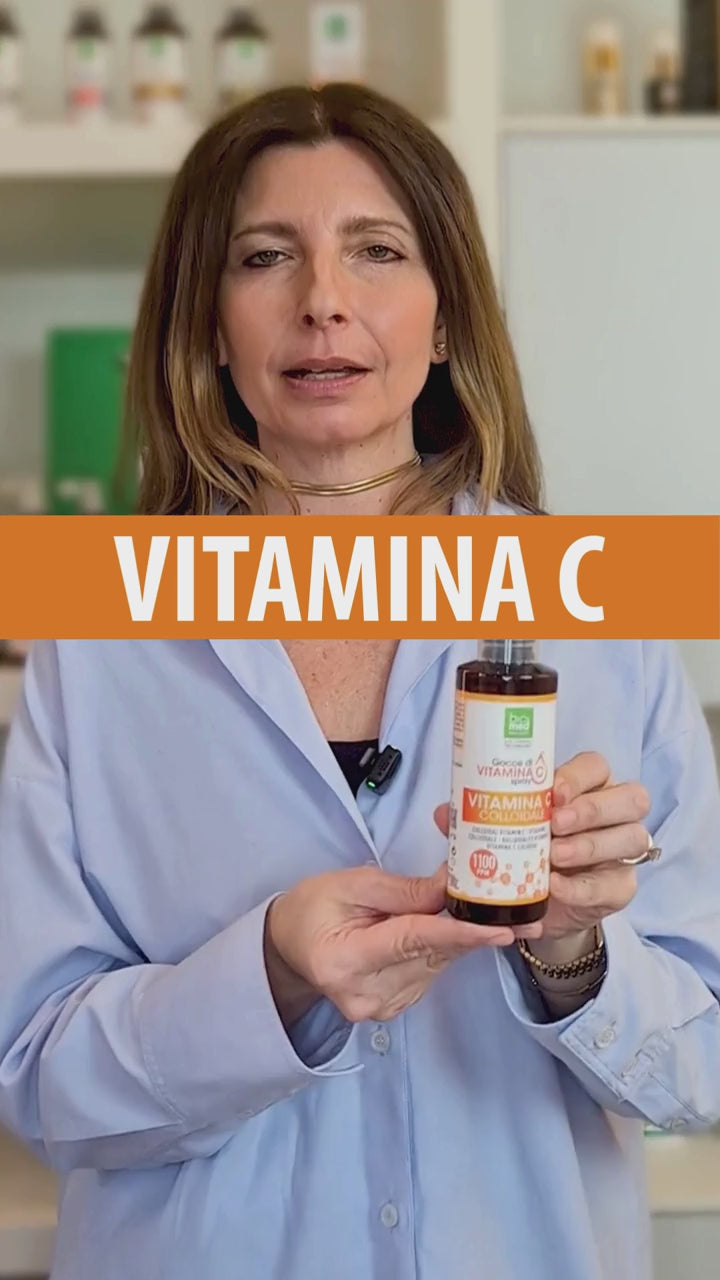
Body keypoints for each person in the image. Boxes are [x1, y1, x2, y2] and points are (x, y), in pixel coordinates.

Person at [0, 83, 719, 1280]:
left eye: (377, 250)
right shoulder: (97, 640)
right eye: (265, 256)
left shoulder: (599, 612)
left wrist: (574, 956)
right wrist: (269, 979)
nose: (322, 300)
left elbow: (702, 1065)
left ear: (445, 321)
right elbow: (34, 1077)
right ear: (208, 323)